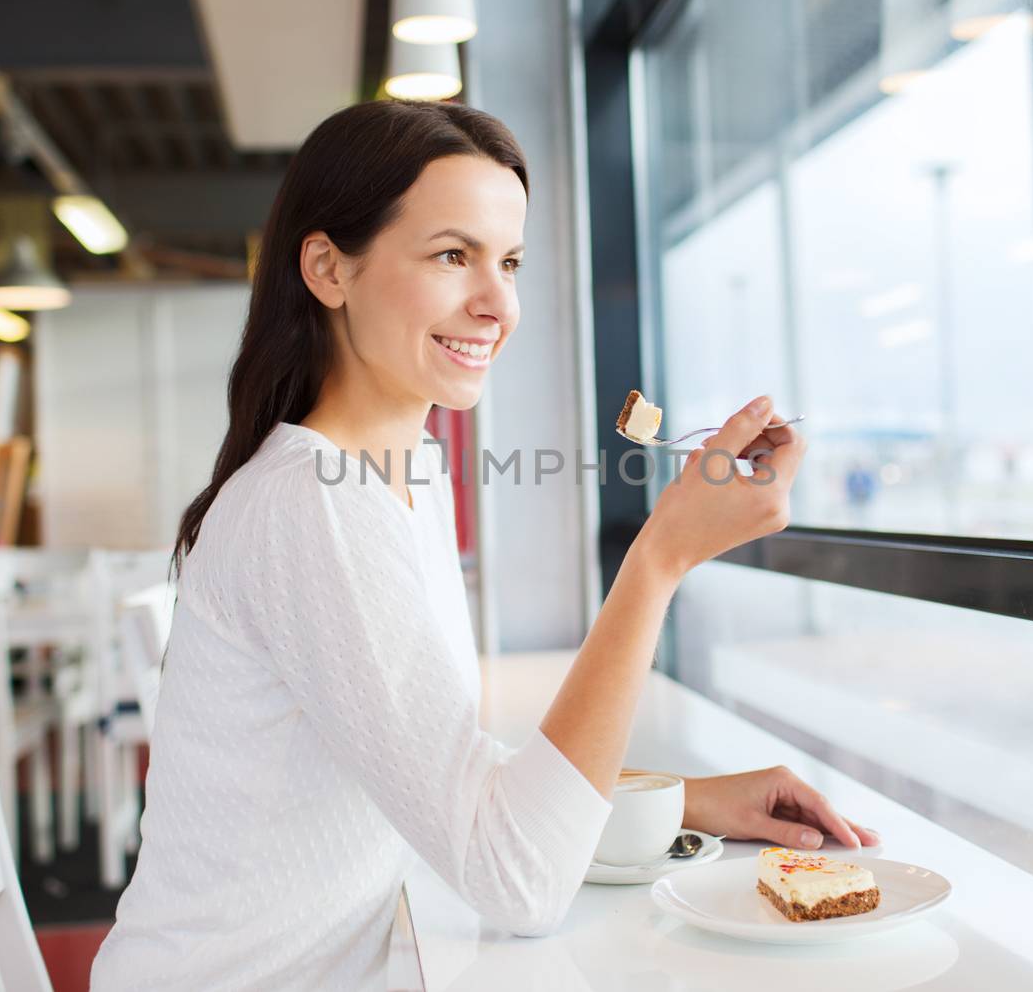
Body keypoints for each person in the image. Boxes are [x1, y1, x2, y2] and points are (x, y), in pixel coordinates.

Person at [90, 100, 878, 991]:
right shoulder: (308, 507)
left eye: (508, 261)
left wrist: (686, 800)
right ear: (327, 268)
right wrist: (660, 559)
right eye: (451, 255)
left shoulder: (405, 470)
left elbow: (443, 774)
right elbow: (518, 879)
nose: (497, 303)